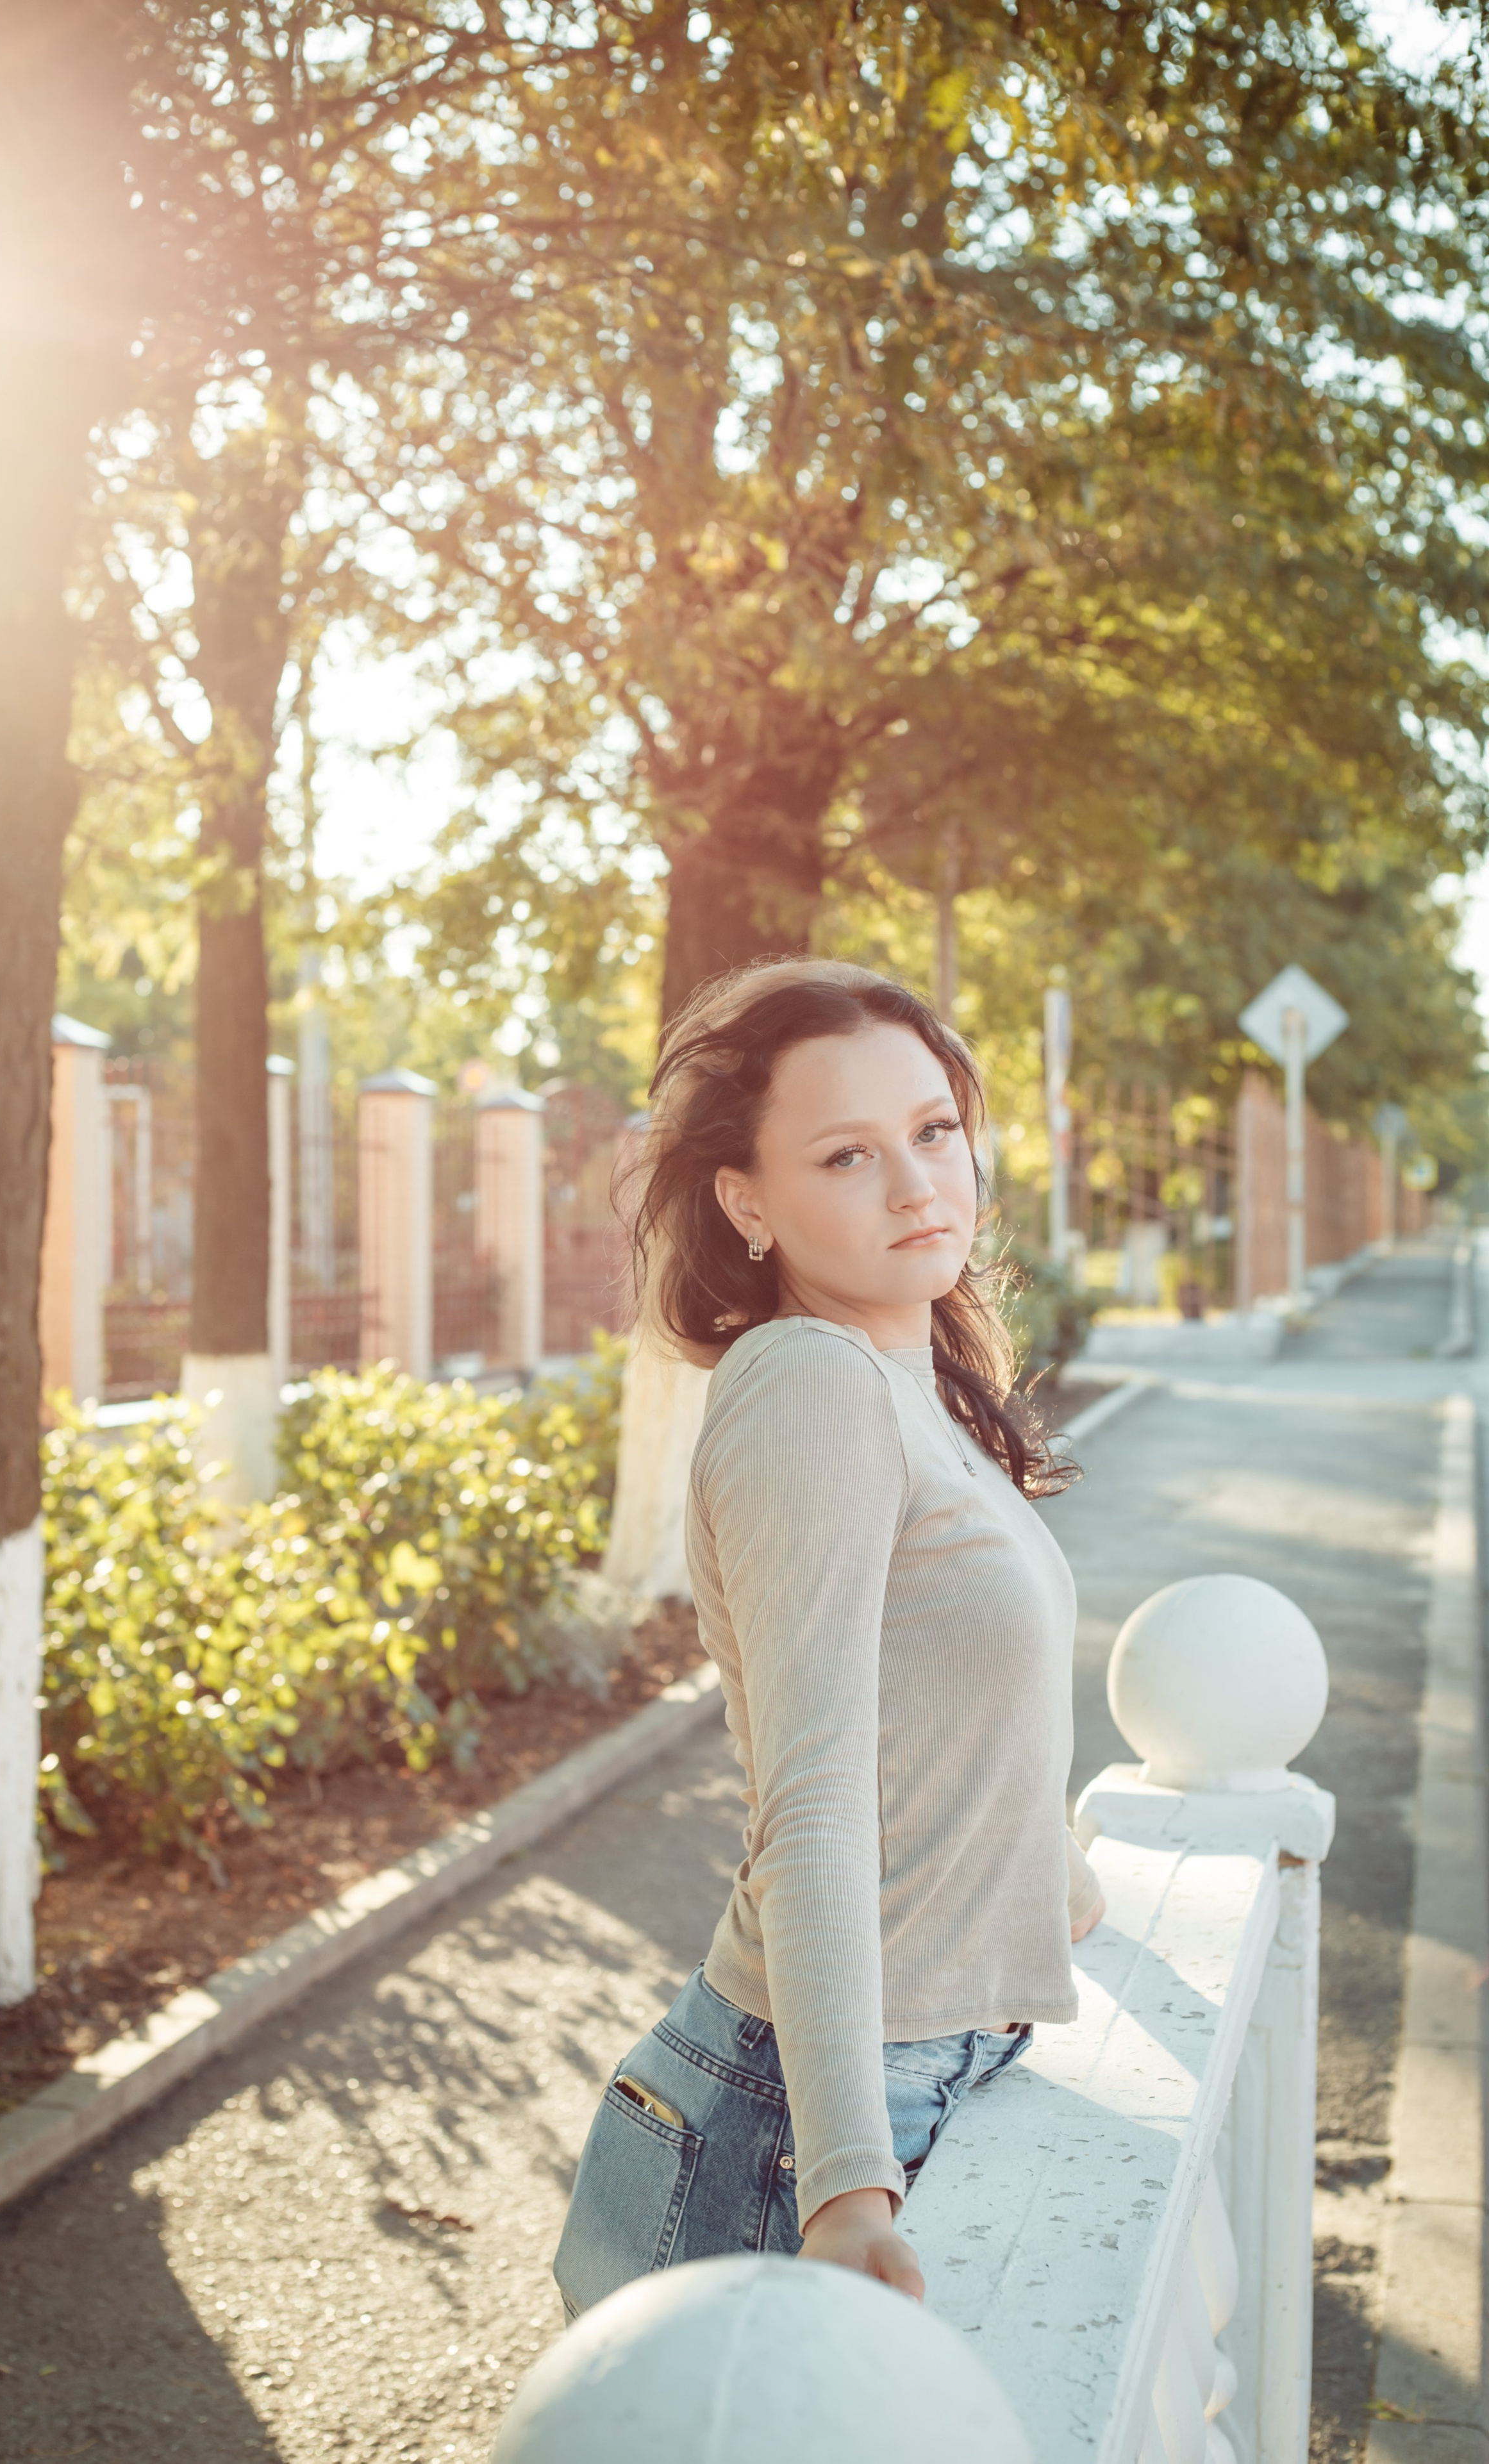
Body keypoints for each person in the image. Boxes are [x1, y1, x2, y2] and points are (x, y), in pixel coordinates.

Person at [553, 958, 1105, 2318]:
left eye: (932, 1130)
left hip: (902, 2071)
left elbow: (937, 1720)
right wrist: (847, 2187)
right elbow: (807, 1800)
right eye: (847, 1154)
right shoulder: (806, 1381)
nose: (918, 1183)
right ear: (746, 1198)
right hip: (801, 2124)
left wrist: (1043, 1880)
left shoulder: (912, 1387)